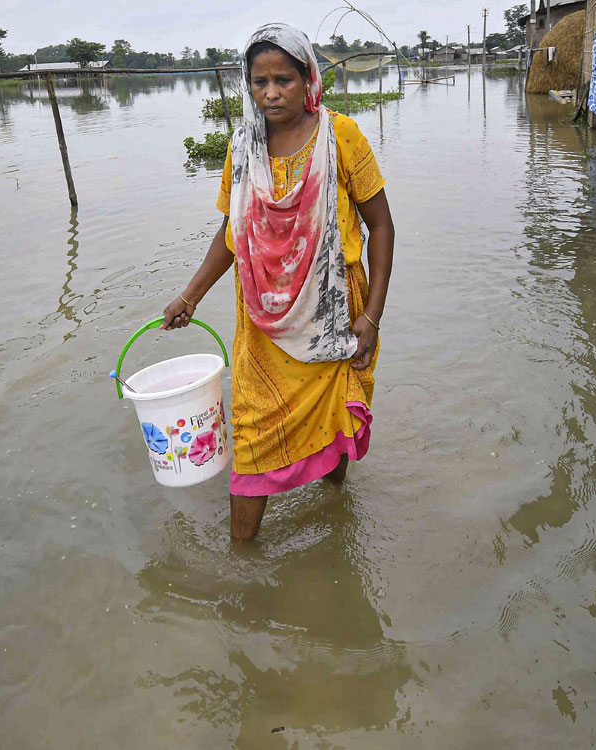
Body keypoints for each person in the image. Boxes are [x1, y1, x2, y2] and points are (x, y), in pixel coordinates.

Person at [162, 23, 394, 540]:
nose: (270, 93)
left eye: (283, 80)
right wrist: (190, 295)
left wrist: (371, 315)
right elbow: (232, 231)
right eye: (259, 81)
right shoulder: (242, 146)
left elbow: (381, 224)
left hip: (334, 315)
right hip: (263, 325)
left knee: (334, 420)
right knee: (251, 434)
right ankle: (242, 559)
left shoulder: (343, 136)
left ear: (308, 79)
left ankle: (339, 522)